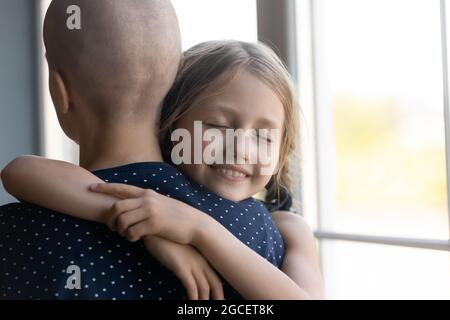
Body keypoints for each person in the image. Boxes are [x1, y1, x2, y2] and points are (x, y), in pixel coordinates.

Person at [2, 40, 323, 299]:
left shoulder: (288, 227)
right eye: (217, 127)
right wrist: (151, 228)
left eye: (263, 136)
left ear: (283, 150)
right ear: (171, 124)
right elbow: (21, 171)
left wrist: (201, 230)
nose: (241, 148)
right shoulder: (155, 189)